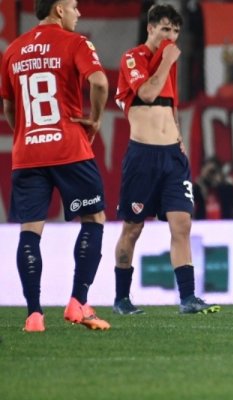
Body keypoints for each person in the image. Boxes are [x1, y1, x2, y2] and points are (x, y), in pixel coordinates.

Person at [0, 0, 110, 332]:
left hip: (27, 153)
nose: (79, 13)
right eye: (75, 6)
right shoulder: (75, 42)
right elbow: (101, 83)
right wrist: (95, 119)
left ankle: (34, 315)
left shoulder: (13, 50)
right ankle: (78, 303)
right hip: (69, 148)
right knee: (94, 218)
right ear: (59, 10)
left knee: (30, 230)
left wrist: (24, 133)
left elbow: (8, 105)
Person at [113, 4, 220, 315]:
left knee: (182, 224)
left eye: (174, 32)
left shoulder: (167, 63)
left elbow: (168, 105)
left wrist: (178, 135)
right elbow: (146, 94)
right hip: (142, 157)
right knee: (133, 228)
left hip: (172, 155)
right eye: (164, 30)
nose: (170, 37)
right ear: (150, 29)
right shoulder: (133, 58)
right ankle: (121, 298)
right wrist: (167, 60)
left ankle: (187, 298)